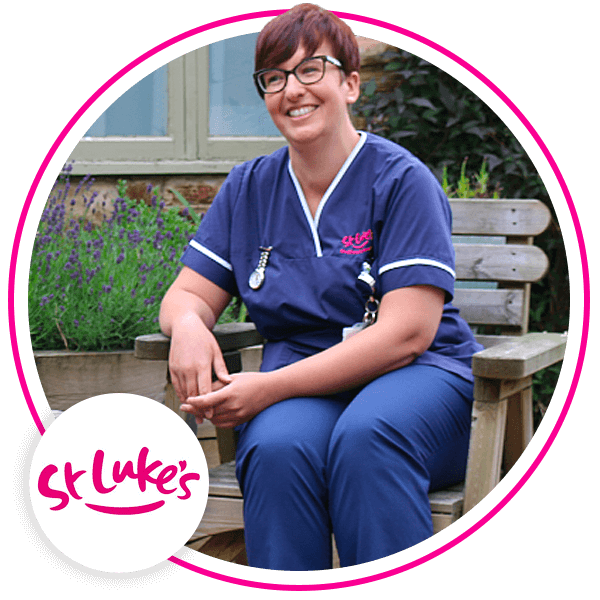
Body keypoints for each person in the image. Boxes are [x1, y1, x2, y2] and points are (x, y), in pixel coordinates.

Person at [159, 4, 483, 570]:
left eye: (312, 69)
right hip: (303, 386)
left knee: (369, 439)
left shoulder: (401, 181)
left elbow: (407, 333)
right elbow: (186, 295)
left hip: (419, 378)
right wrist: (187, 325)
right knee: (278, 449)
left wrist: (267, 388)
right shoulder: (248, 187)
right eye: (275, 77)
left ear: (350, 83)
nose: (292, 90)